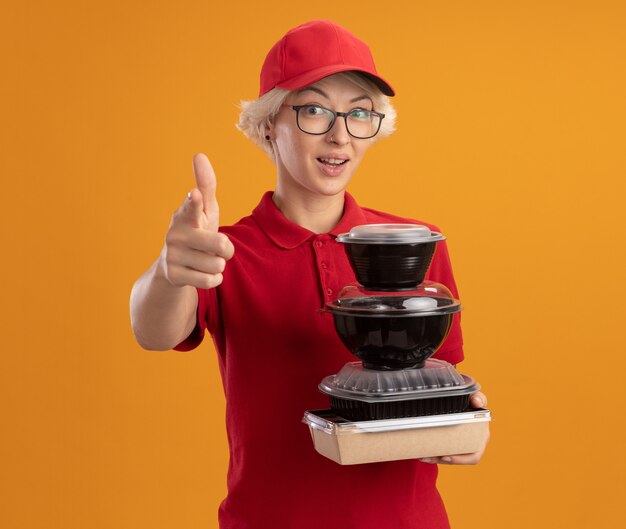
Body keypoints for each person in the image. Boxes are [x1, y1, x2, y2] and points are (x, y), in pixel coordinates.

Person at [130, 19, 488, 529]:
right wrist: (169, 272)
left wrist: (463, 424)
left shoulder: (415, 245)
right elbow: (153, 331)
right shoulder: (225, 250)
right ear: (268, 123)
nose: (340, 134)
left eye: (360, 112)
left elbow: (445, 382)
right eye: (315, 109)